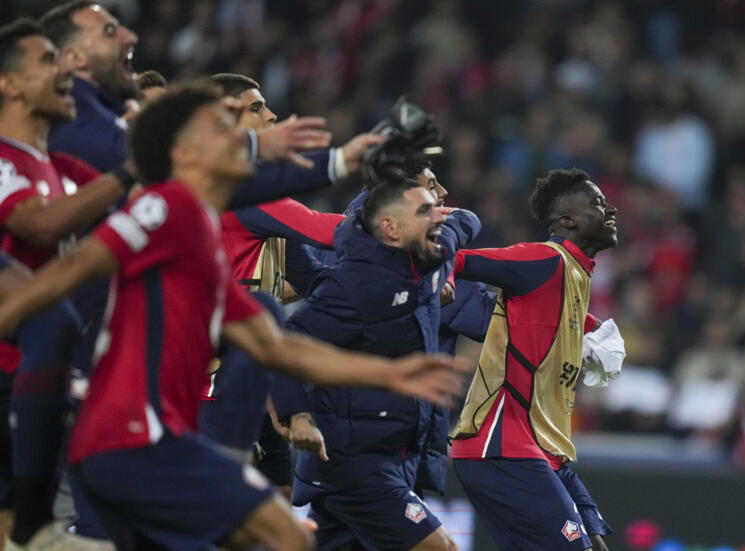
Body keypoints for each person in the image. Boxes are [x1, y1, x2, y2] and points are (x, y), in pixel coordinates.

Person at [0, 84, 468, 551]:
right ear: (186, 154)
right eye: (222, 130)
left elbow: (273, 344)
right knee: (281, 535)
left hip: (150, 437)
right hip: (130, 437)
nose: (239, 140)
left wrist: (392, 372)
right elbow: (74, 267)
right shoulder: (164, 207)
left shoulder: (200, 232)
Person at [0, 18, 146, 549]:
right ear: (9, 84)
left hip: (49, 383)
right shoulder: (2, 160)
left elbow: (134, 202)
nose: (64, 69)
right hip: (9, 382)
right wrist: (135, 168)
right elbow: (40, 223)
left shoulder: (59, 166)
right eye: (46, 61)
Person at [277, 173, 480, 551]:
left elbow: (466, 221)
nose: (439, 218)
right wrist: (297, 415)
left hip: (390, 453)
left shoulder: (428, 260)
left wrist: (447, 226)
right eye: (425, 211)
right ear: (389, 227)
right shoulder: (354, 285)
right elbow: (287, 344)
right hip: (353, 462)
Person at [202, 72, 381, 495]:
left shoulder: (258, 205)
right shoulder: (242, 191)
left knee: (276, 515)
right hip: (212, 387)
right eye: (256, 107)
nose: (272, 114)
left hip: (258, 381)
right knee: (214, 521)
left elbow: (315, 278)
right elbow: (325, 230)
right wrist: (399, 226)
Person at [450, 168, 617, 551]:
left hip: (537, 452)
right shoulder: (547, 260)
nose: (610, 209)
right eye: (596, 202)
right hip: (499, 447)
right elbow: (458, 260)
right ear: (567, 220)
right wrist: (439, 275)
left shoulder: (577, 280)